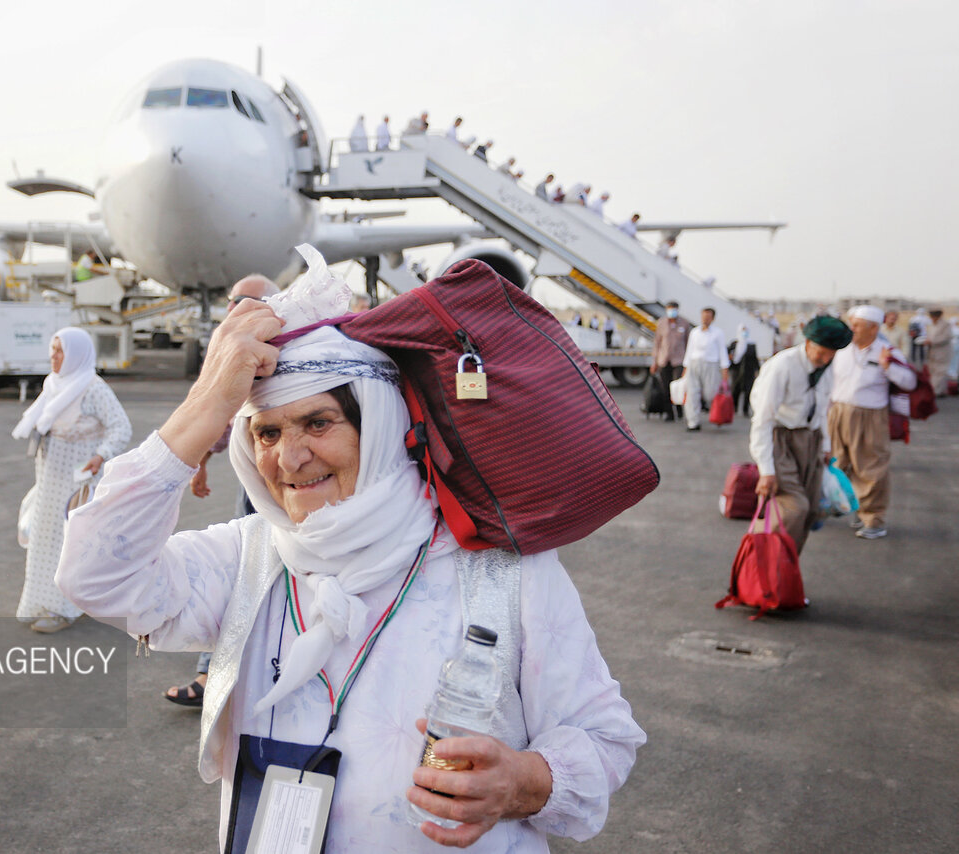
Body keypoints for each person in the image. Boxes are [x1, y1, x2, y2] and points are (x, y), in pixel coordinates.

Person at [56, 262, 644, 850]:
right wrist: (204, 406)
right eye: (265, 433)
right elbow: (95, 575)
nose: (289, 460)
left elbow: (602, 737)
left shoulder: (499, 569)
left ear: (381, 425)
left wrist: (522, 783)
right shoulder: (250, 557)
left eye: (318, 423)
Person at [165, 275, 280, 708]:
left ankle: (219, 674)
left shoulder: (287, 350)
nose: (232, 309)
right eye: (231, 300)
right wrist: (201, 464)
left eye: (244, 301)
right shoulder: (235, 346)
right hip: (254, 491)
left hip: (288, 490)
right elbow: (219, 417)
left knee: (259, 579)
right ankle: (212, 672)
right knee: (243, 574)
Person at [12, 328, 132, 632]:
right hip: (50, 479)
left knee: (68, 545)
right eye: (52, 349)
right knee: (44, 540)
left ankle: (61, 610)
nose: (53, 356)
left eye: (60, 350)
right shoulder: (54, 385)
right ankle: (38, 602)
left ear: (77, 354)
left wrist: (100, 455)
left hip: (78, 482)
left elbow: (121, 427)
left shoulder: (93, 388)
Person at [749, 317, 853, 553]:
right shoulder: (782, 366)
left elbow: (823, 409)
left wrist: (825, 446)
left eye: (832, 354)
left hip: (811, 440)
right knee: (794, 508)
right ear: (808, 342)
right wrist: (766, 471)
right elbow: (762, 421)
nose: (826, 359)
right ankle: (766, 571)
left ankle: (788, 573)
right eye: (821, 353)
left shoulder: (825, 369)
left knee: (811, 511)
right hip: (781, 440)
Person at [827, 305, 916, 540]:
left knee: (870, 469)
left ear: (873, 328)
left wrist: (888, 368)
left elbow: (909, 382)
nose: (851, 329)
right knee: (837, 464)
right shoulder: (842, 350)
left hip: (870, 417)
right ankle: (853, 508)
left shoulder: (887, 351)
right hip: (838, 413)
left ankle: (873, 519)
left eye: (856, 325)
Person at [681, 308, 731, 431]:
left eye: (708, 317)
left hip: (711, 365)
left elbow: (722, 352)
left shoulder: (718, 333)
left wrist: (725, 371)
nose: (705, 319)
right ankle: (693, 422)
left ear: (712, 318)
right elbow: (689, 351)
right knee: (692, 394)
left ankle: (717, 415)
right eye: (703, 316)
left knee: (711, 394)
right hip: (694, 364)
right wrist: (685, 369)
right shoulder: (695, 332)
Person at [650, 300, 692, 421]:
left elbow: (688, 343)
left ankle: (679, 409)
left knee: (677, 386)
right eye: (669, 309)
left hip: (679, 360)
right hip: (664, 360)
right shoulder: (662, 323)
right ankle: (669, 413)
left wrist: (688, 363)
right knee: (666, 387)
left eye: (673, 309)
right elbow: (657, 343)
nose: (672, 311)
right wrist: (655, 361)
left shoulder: (684, 323)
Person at [729, 323, 761, 416]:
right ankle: (734, 407)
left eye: (745, 330)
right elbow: (729, 356)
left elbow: (755, 358)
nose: (744, 333)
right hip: (736, 370)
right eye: (742, 330)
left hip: (748, 370)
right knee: (735, 389)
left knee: (748, 390)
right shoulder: (734, 343)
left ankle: (745, 409)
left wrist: (758, 370)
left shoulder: (751, 344)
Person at [920, 309, 953, 396]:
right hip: (932, 352)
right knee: (933, 371)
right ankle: (941, 391)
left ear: (938, 316)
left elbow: (946, 337)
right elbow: (929, 336)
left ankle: (934, 391)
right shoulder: (931, 325)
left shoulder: (945, 325)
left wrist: (932, 341)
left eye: (933, 316)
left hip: (942, 352)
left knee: (940, 371)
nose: (932, 318)